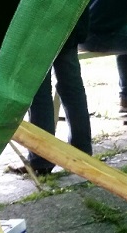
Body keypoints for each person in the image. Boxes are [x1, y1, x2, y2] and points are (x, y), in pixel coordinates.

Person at [19, 9, 93, 176]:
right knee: (72, 88)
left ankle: (42, 159)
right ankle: (82, 153)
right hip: (69, 22)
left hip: (39, 25)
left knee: (40, 93)